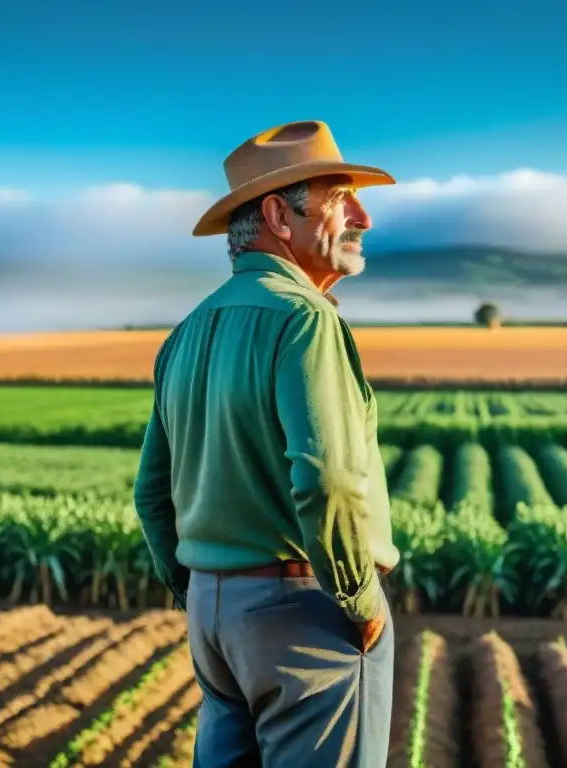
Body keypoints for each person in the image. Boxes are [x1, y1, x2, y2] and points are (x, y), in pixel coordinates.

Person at [133, 119, 400, 767]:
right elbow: (327, 479)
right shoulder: (304, 320)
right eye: (341, 199)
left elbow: (151, 494)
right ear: (281, 215)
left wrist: (196, 589)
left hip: (212, 611)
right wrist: (359, 600)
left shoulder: (188, 332)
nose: (362, 216)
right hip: (303, 610)